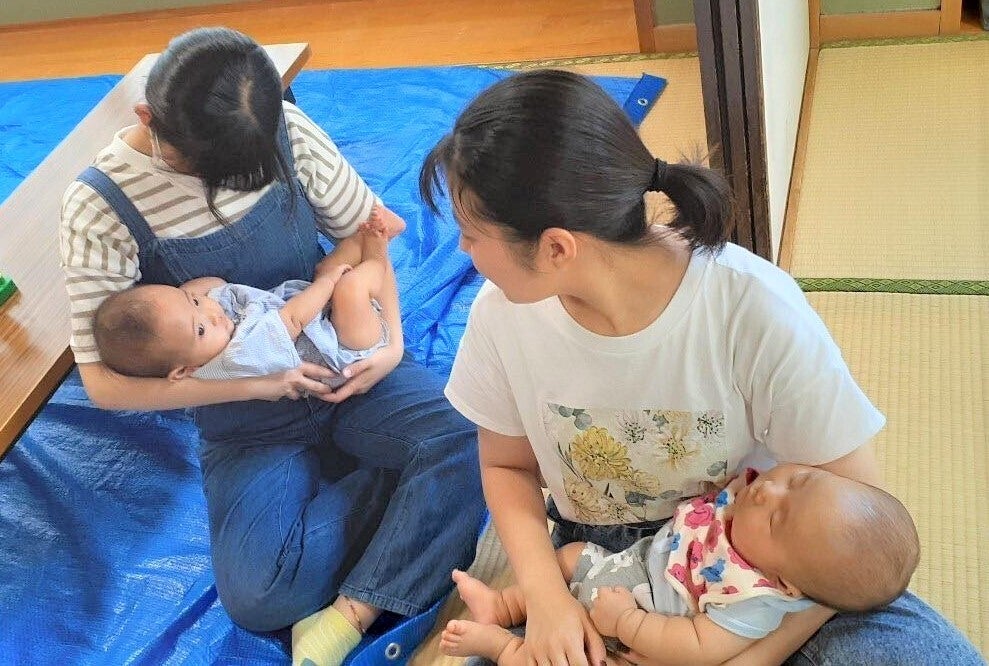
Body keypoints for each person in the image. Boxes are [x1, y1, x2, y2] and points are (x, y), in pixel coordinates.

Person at [419, 68, 981, 665]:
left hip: (760, 561)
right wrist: (545, 596)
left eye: (470, 234)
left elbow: (855, 517)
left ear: (557, 247)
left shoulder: (750, 305)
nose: (462, 252)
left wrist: (750, 654)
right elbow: (506, 465)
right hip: (604, 564)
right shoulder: (502, 318)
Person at [59, 26, 486, 666]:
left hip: (341, 361)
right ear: (147, 119)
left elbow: (369, 237)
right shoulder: (100, 209)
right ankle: (396, 486)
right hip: (245, 417)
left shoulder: (284, 130)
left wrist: (392, 347)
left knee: (472, 436)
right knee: (260, 596)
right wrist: (259, 384)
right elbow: (104, 383)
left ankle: (354, 610)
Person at [439, 464, 920, 664]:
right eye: (798, 481)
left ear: (786, 583)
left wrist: (627, 623)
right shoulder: (750, 504)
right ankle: (505, 605)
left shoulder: (752, 600)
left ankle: (502, 645)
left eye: (776, 519)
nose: (769, 492)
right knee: (566, 557)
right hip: (621, 562)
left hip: (627, 627)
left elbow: (696, 645)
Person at [93, 212, 393, 386]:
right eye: (200, 329)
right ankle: (377, 255)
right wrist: (328, 283)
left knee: (330, 265)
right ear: (185, 370)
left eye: (194, 302)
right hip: (345, 348)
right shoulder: (239, 354)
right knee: (349, 287)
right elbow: (294, 318)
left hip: (323, 318)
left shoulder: (212, 326)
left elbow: (215, 285)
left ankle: (365, 239)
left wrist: (188, 298)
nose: (211, 313)